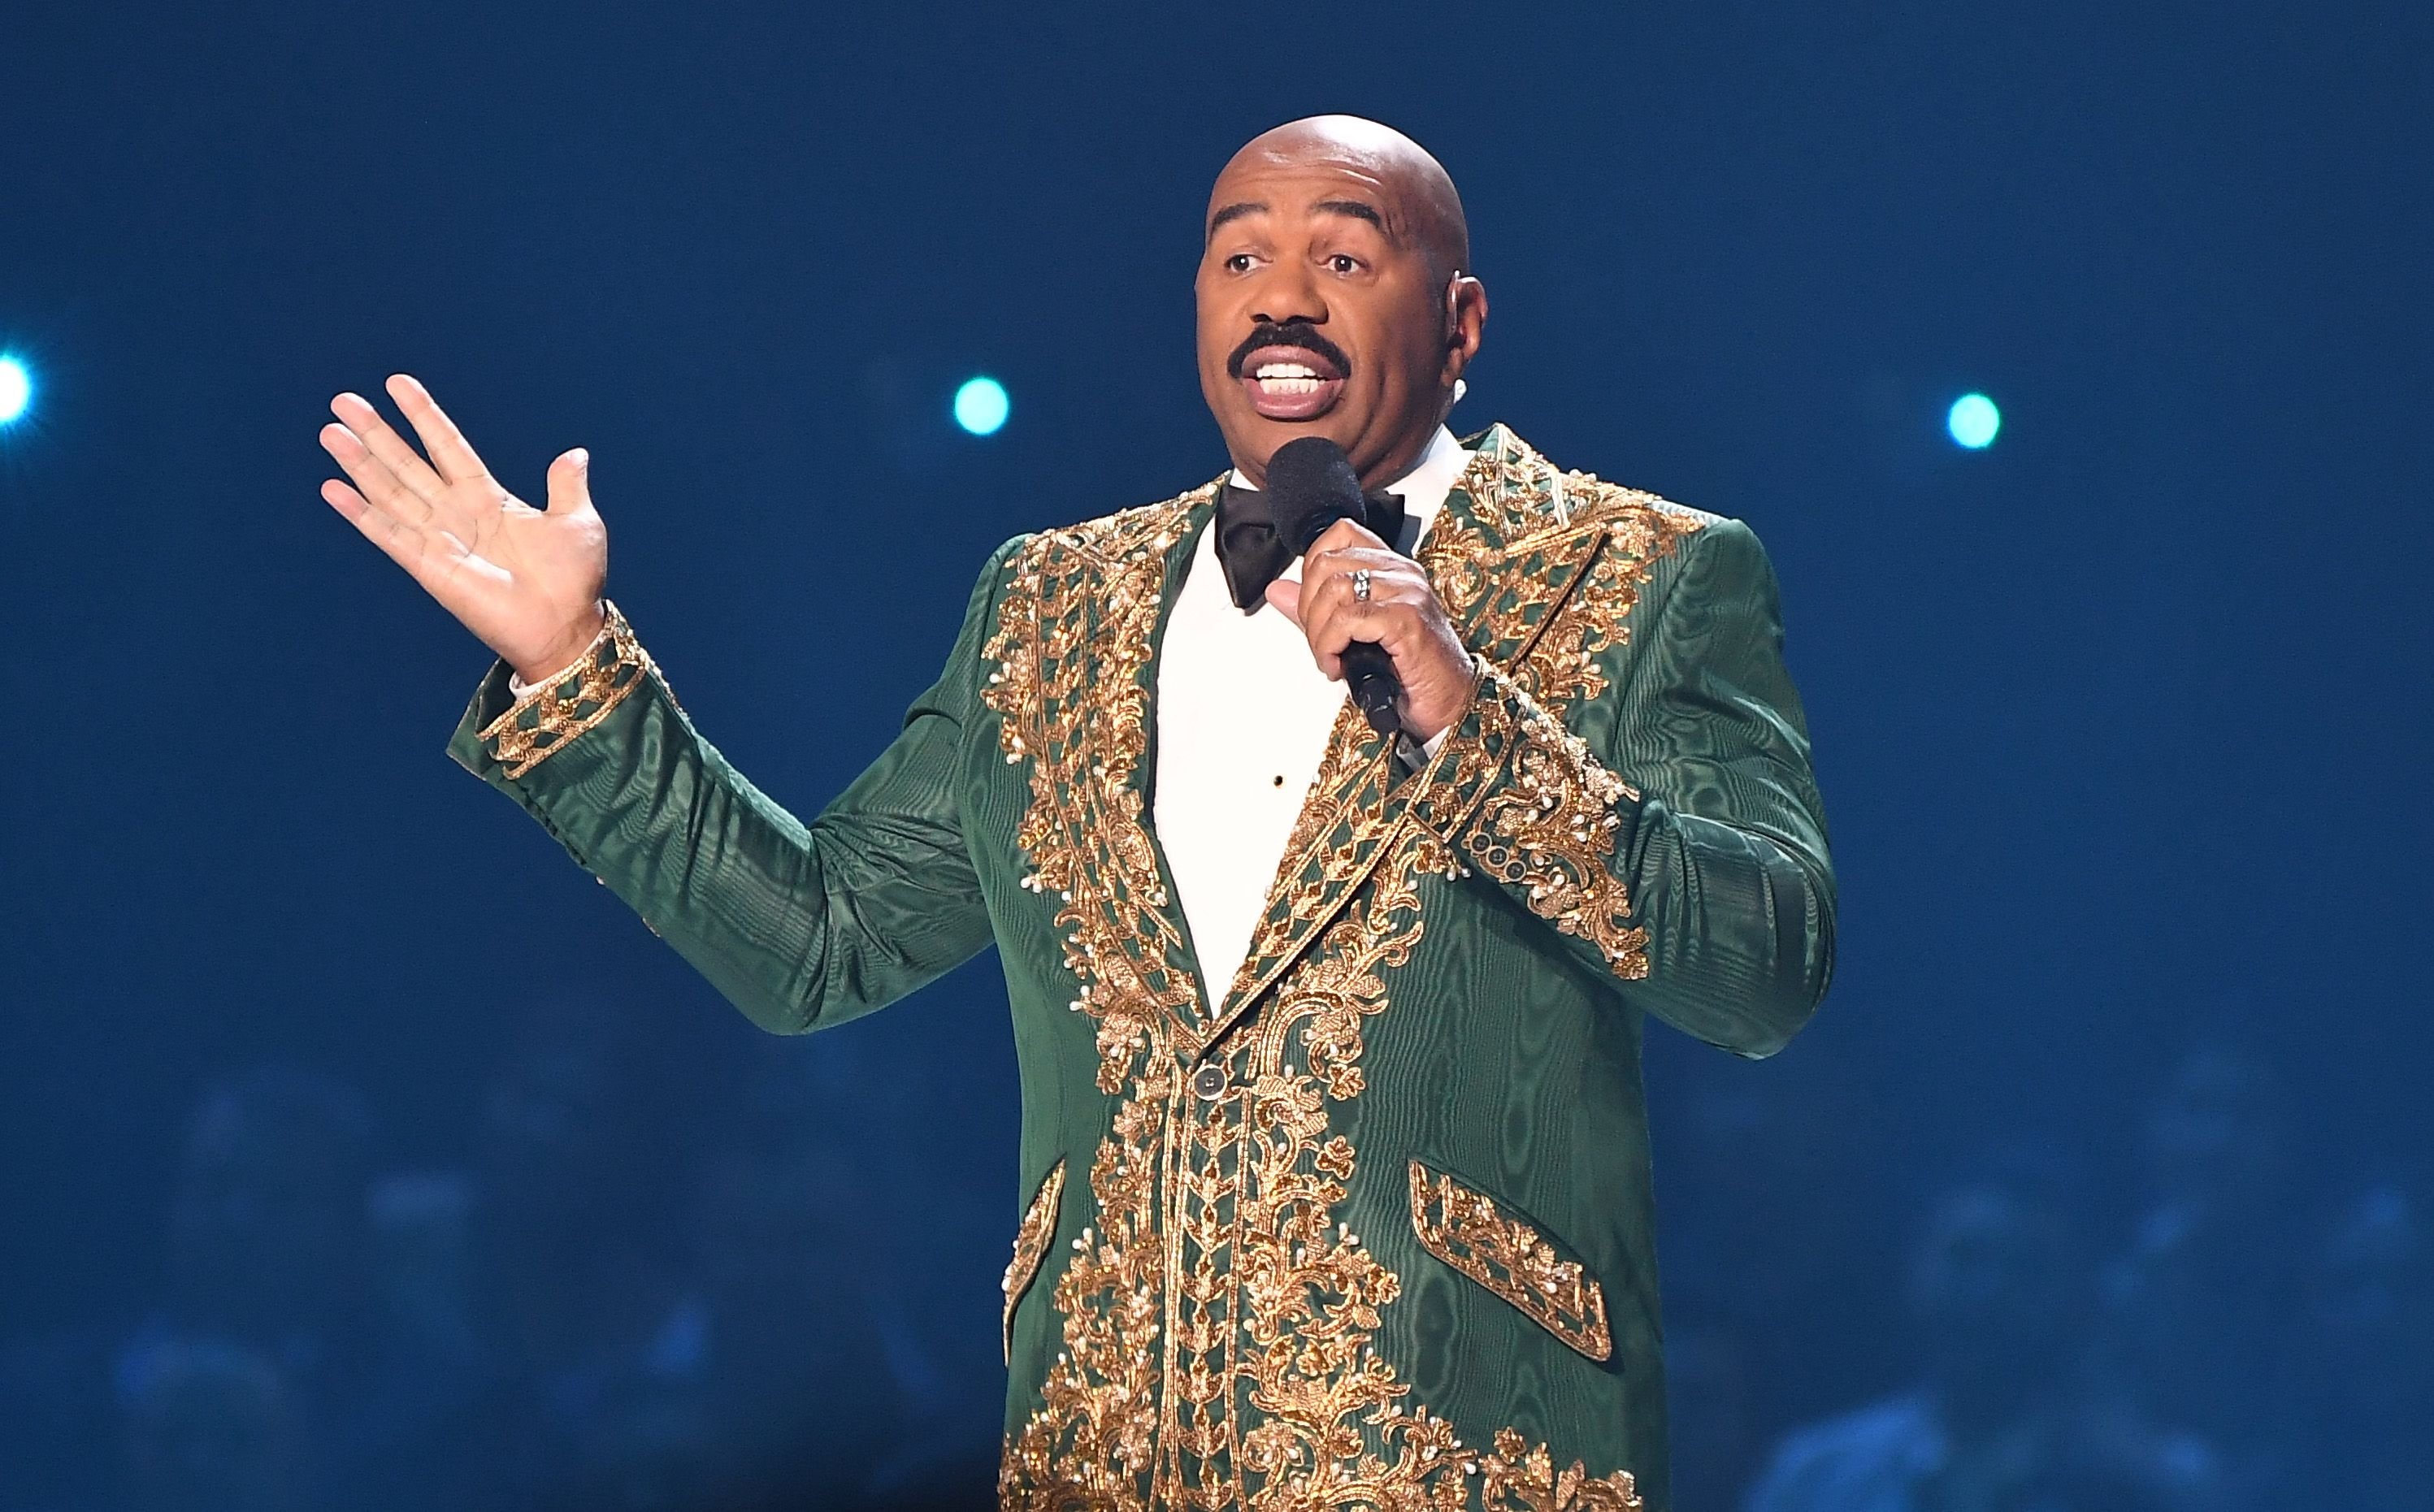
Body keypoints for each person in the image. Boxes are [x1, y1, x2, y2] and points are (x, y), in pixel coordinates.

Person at [316, 114, 1834, 1511]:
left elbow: (1765, 965)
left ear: (1460, 321)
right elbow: (818, 944)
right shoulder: (1052, 603)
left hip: (1470, 1458)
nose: (1282, 296)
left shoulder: (1644, 574)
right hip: (1098, 1459)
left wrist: (1466, 713)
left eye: (1346, 255)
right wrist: (574, 669)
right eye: (1240, 254)